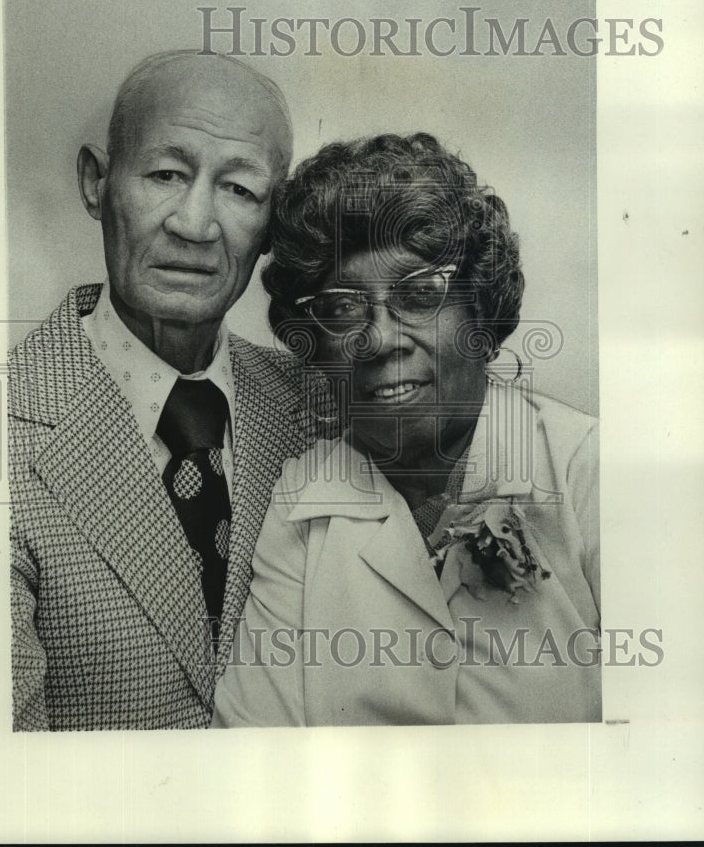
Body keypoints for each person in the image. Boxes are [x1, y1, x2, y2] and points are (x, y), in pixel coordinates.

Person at [212, 132, 600, 727]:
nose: (378, 337)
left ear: (482, 311)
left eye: (420, 294)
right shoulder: (304, 498)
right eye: (342, 307)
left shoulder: (586, 468)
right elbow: (256, 751)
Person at [9, 51, 325, 730]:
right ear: (97, 182)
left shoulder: (317, 409)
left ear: (277, 220)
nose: (194, 224)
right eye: (165, 174)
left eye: (240, 189)